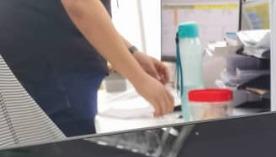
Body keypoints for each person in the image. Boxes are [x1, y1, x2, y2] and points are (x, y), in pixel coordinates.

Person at [0, 0, 174, 137]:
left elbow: (83, 11)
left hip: (48, 74)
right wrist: (139, 79)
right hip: (51, 77)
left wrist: (133, 53)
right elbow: (80, 6)